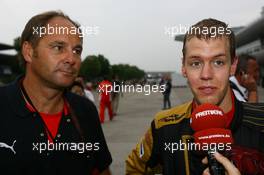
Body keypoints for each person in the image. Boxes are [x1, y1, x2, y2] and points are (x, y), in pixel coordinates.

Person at [126, 18, 264, 175]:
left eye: (218, 62)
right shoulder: (163, 127)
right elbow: (134, 168)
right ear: (183, 67)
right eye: (195, 63)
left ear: (233, 66)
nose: (206, 75)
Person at [0, 11, 112, 175]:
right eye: (58, 47)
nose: (71, 59)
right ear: (29, 52)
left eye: (77, 50)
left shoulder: (85, 111)